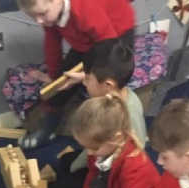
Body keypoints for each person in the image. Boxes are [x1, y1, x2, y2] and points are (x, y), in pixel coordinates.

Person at [49, 38, 146, 188]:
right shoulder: (118, 94)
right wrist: (81, 77)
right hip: (104, 155)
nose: (85, 84)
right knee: (66, 162)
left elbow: (135, 153)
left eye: (88, 79)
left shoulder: (127, 116)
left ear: (108, 85)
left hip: (113, 176)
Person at [16, 0, 135, 149]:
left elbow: (107, 50)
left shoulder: (85, 9)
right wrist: (54, 76)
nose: (39, 21)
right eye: (33, 16)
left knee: (103, 81)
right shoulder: (50, 17)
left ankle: (101, 134)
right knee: (60, 83)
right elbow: (52, 44)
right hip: (87, 39)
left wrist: (86, 75)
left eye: (42, 14)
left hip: (115, 34)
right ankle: (48, 128)